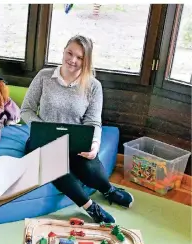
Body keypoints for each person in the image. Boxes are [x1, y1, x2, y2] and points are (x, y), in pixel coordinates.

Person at [20, 34, 134, 224]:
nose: (72, 60)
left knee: (93, 172)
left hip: (75, 142)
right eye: (69, 53)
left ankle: (108, 190)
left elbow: (93, 121)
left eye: (79, 57)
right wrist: (40, 128)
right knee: (53, 167)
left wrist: (94, 145)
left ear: (86, 60)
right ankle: (90, 207)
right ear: (64, 51)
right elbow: (26, 109)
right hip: (44, 142)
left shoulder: (93, 86)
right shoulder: (44, 77)